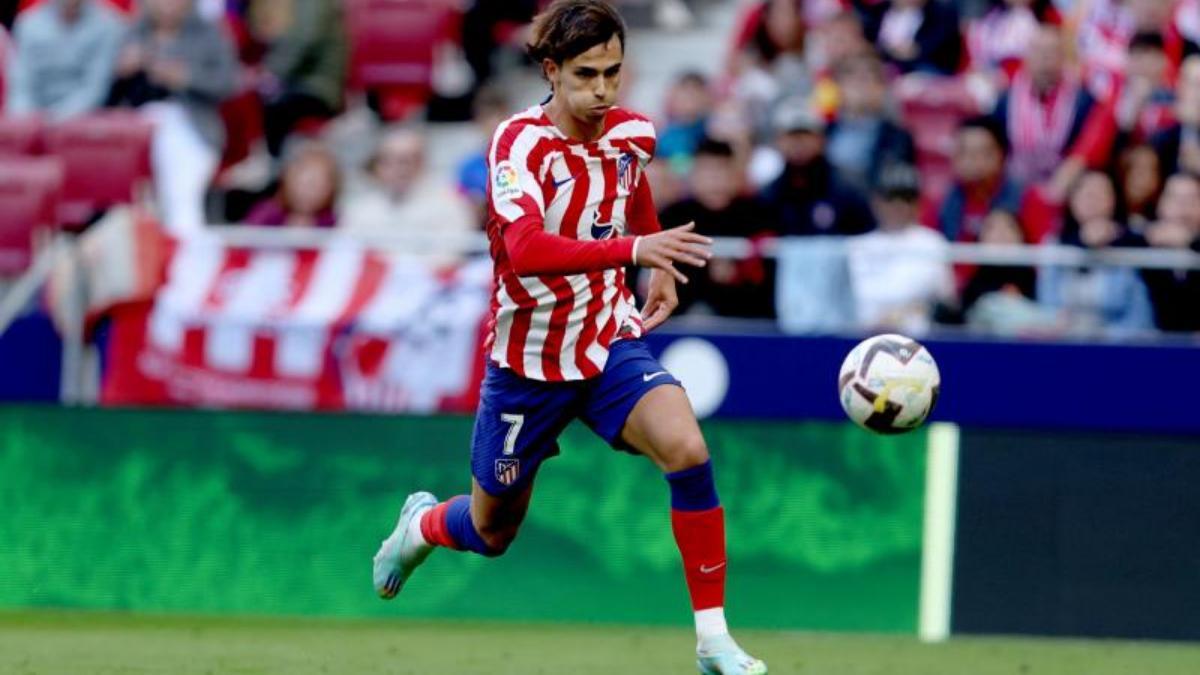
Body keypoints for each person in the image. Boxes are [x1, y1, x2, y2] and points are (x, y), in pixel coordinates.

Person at [370, 3, 768, 674]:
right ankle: (422, 526)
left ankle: (713, 639)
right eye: (587, 75)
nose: (604, 90)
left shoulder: (633, 133)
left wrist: (658, 265)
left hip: (607, 338)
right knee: (492, 530)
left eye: (614, 72)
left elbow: (629, 191)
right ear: (552, 71)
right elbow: (524, 250)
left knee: (687, 447)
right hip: (527, 363)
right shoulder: (517, 146)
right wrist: (638, 248)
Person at [108, 0, 238, 234]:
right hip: (136, 123)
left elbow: (229, 83)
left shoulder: (209, 32)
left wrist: (185, 78)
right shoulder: (132, 31)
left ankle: (183, 236)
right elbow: (105, 91)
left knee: (179, 190)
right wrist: (120, 70)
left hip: (191, 124)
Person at [5, 0, 124, 120]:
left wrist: (54, 119)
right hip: (33, 120)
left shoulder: (107, 24)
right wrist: (26, 119)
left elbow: (95, 89)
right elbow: (21, 86)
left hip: (83, 122)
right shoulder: (27, 24)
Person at [243, 141, 339, 228]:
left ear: (330, 188)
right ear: (288, 181)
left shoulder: (334, 222)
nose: (308, 192)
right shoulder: (265, 215)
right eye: (304, 184)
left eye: (316, 185)